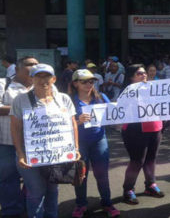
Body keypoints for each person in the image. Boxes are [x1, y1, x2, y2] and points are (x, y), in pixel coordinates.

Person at [10, 63, 80, 218]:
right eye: (38, 76)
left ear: (54, 79)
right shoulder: (20, 100)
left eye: (47, 76)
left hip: (57, 155)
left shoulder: (64, 99)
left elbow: (72, 123)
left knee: (53, 190)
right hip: (29, 156)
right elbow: (15, 128)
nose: (43, 80)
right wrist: (20, 153)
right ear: (31, 79)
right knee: (36, 192)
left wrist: (75, 148)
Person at [69, 69, 120, 218]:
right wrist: (78, 121)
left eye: (91, 81)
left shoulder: (101, 97)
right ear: (75, 83)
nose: (88, 84)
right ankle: (81, 204)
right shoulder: (69, 100)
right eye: (84, 81)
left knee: (102, 174)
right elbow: (61, 124)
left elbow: (114, 115)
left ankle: (107, 203)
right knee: (80, 175)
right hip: (79, 143)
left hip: (99, 139)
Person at [0, 56, 38, 218]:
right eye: (30, 64)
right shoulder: (3, 84)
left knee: (34, 180)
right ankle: (11, 211)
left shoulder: (44, 85)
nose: (35, 67)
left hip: (35, 143)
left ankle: (28, 207)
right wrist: (20, 110)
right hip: (7, 142)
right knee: (8, 179)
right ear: (17, 69)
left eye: (37, 64)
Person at [121, 64, 164, 205]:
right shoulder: (127, 91)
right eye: (139, 73)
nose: (144, 75)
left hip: (155, 127)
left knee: (151, 159)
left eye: (144, 73)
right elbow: (120, 108)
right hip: (135, 130)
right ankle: (128, 190)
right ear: (131, 77)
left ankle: (150, 185)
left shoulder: (154, 88)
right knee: (137, 161)